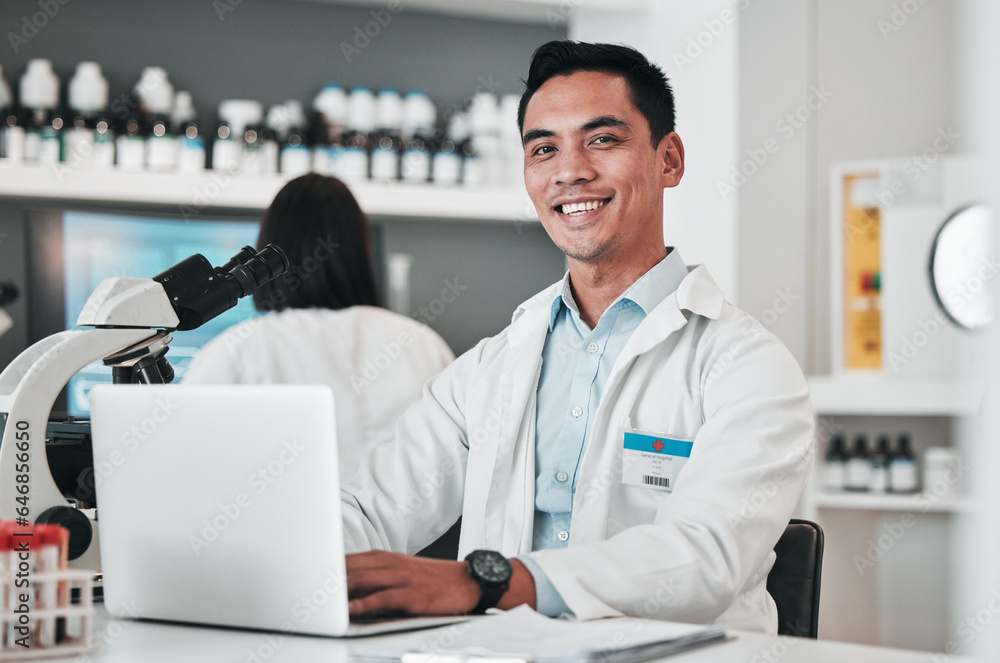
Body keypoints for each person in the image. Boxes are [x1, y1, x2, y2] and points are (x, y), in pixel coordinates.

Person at [341, 41, 815, 633]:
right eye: (544, 149)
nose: (570, 171)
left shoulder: (746, 367)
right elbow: (368, 508)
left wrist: (486, 583)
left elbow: (703, 556)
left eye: (603, 140)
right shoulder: (491, 367)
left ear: (669, 160)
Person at [184, 173, 455, 484]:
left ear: (265, 252)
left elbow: (187, 468)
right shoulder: (424, 345)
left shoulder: (235, 351)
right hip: (408, 534)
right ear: (360, 250)